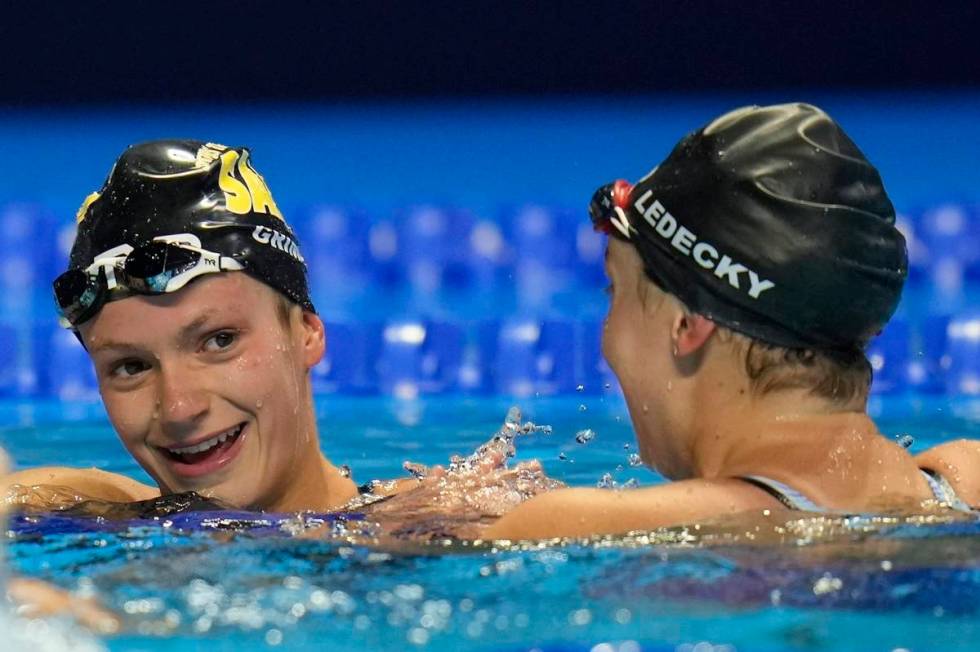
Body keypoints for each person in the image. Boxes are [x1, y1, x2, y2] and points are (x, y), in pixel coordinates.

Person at [484, 103, 980, 540]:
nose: (606, 341)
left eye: (616, 290)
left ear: (687, 324)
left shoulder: (578, 528)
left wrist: (423, 512)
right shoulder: (965, 481)